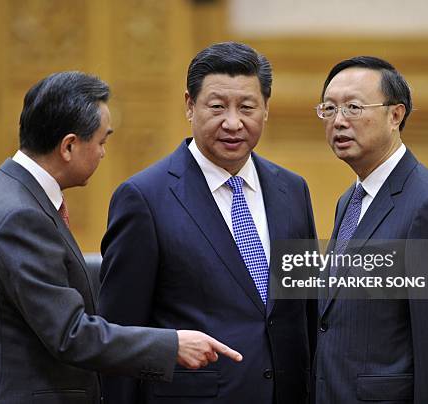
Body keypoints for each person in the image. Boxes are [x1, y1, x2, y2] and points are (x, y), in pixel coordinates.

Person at [0, 71, 242, 404]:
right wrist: (172, 346)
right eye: (101, 141)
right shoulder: (20, 215)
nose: (103, 153)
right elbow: (70, 334)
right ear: (69, 146)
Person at [98, 42, 318, 404]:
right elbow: (121, 334)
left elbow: (304, 310)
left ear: (266, 109)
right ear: (189, 105)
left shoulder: (292, 190)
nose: (233, 122)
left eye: (247, 107)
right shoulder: (144, 197)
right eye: (217, 107)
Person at [313, 56, 428, 403]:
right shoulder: (350, 200)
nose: (339, 121)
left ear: (395, 115)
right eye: (329, 109)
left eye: (353, 107)